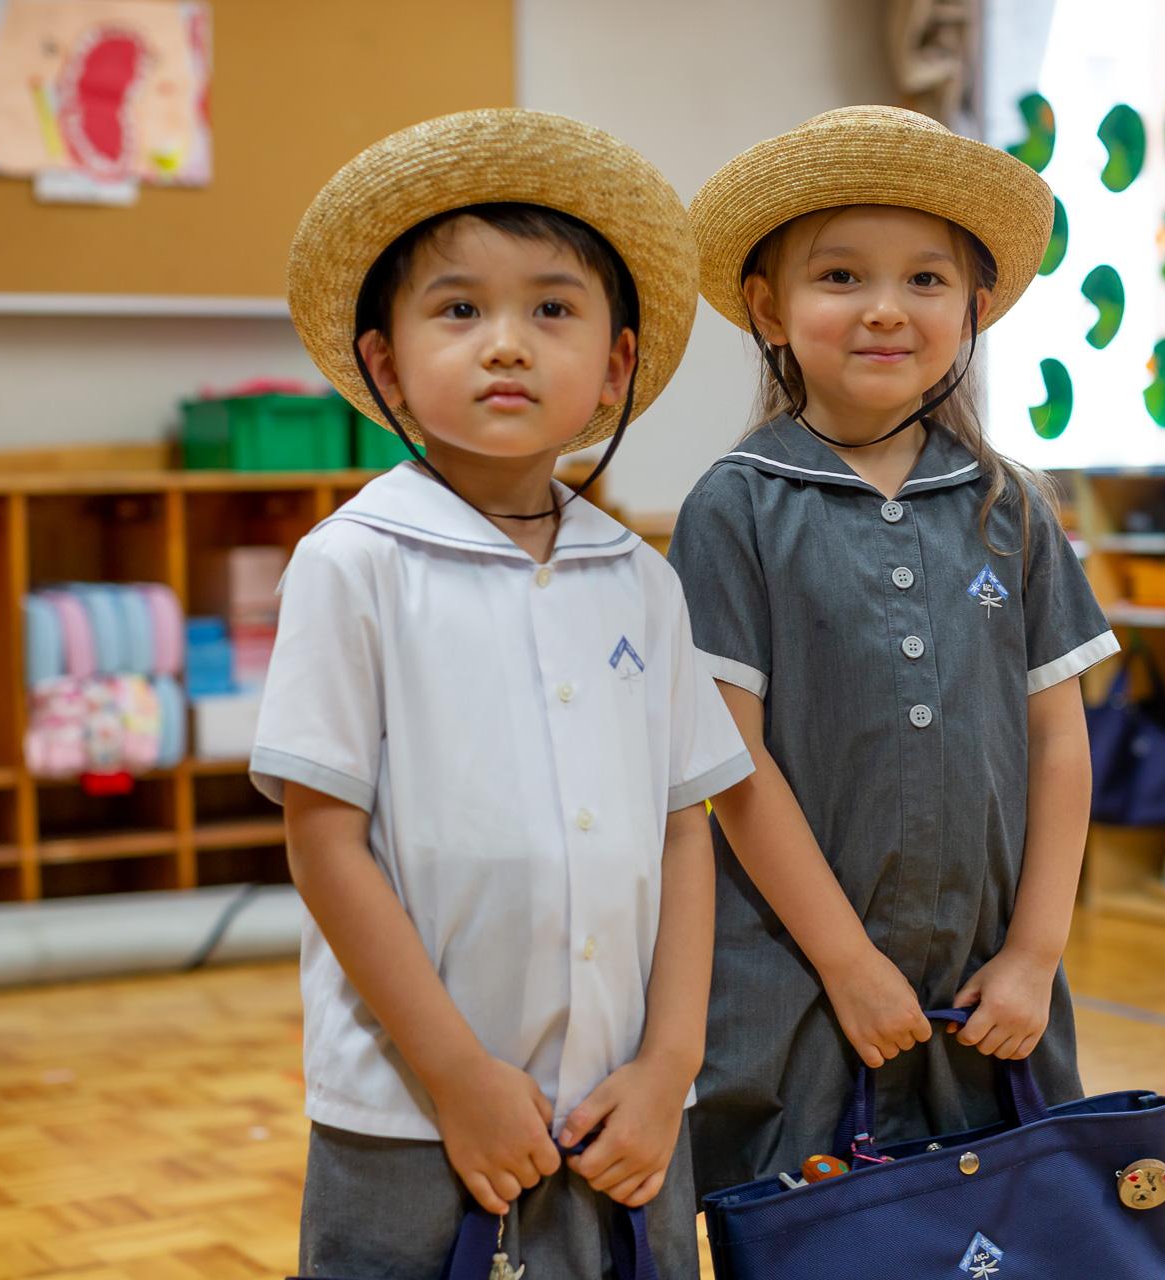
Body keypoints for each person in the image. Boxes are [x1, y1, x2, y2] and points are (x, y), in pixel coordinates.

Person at [255, 108, 753, 1277]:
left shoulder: (643, 580)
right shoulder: (353, 565)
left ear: (614, 365)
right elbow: (324, 843)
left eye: (552, 308)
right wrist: (459, 1076)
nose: (508, 344)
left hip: (625, 1114)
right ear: (385, 361)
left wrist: (670, 1065)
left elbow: (689, 832)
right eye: (460, 307)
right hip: (414, 1113)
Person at [668, 105, 1119, 1197]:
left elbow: (1059, 741)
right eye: (840, 277)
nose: (885, 308)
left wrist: (1035, 955)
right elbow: (734, 768)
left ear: (973, 308)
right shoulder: (733, 507)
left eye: (926, 279)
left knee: (1005, 1236)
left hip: (992, 993)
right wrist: (849, 964)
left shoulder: (1010, 504)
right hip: (799, 992)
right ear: (770, 309)